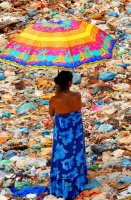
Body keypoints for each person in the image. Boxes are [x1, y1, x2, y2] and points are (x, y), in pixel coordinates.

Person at [49, 71, 88, 199]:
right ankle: (79, 184)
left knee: (63, 159)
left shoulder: (54, 100)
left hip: (63, 136)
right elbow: (76, 109)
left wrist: (57, 92)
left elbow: (51, 114)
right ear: (70, 83)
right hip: (76, 134)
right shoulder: (77, 96)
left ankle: (63, 187)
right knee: (77, 156)